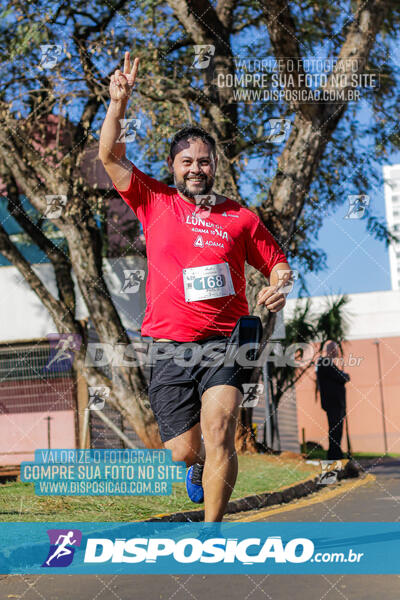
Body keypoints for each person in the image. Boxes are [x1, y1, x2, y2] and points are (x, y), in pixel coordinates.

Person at [98, 52, 291, 522]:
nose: (196, 169)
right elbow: (109, 156)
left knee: (221, 426)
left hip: (227, 341)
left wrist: (279, 285)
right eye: (187, 162)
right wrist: (118, 105)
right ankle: (198, 465)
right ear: (174, 166)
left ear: (214, 166)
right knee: (182, 451)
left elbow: (278, 264)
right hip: (168, 345)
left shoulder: (240, 218)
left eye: (204, 162)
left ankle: (212, 533)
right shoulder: (154, 200)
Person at [316, 341, 350, 460]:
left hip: (337, 403)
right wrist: (344, 375)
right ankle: (334, 455)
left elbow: (341, 376)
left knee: (338, 430)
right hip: (333, 403)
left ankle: (336, 453)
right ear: (330, 350)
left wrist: (343, 375)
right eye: (335, 349)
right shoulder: (324, 363)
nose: (337, 352)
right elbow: (341, 377)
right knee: (335, 430)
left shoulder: (329, 364)